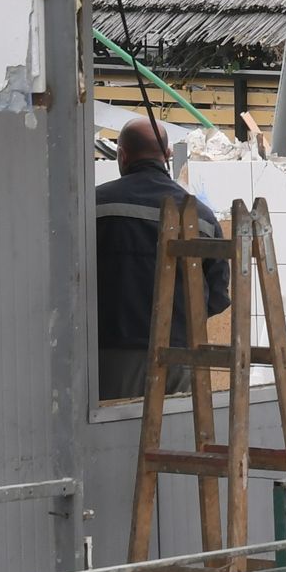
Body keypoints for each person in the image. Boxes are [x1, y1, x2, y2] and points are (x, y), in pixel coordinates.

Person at [93, 117, 231, 401]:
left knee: (116, 434)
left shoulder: (95, 206)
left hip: (113, 355)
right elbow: (217, 295)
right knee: (175, 438)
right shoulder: (201, 217)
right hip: (180, 355)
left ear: (121, 155)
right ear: (167, 156)